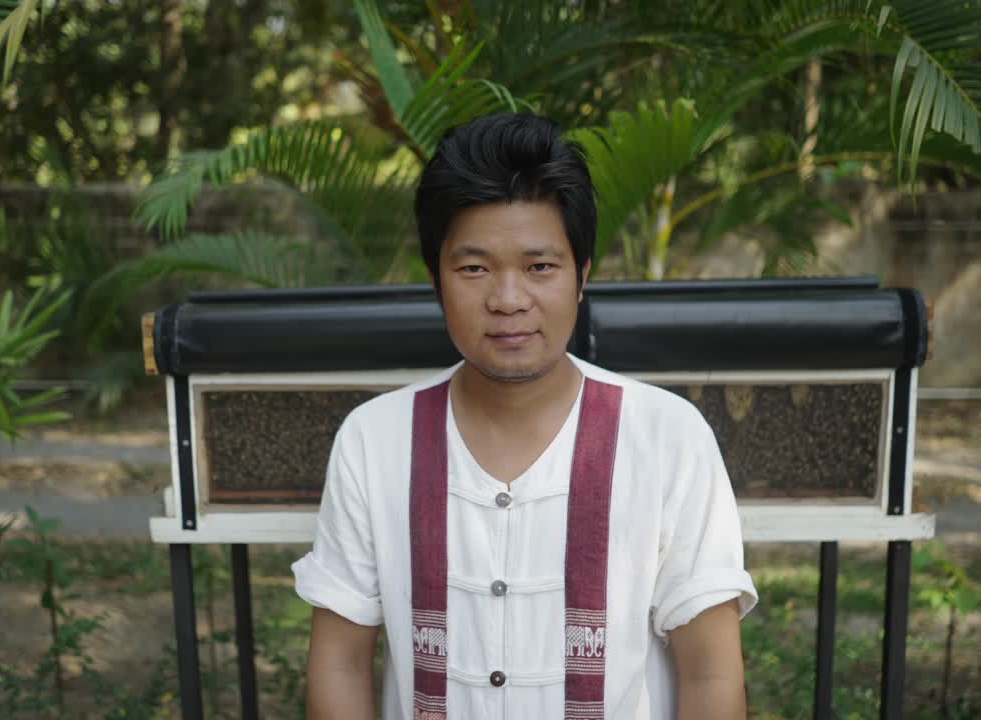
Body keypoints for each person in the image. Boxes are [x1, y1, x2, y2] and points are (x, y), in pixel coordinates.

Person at [292, 113, 757, 719]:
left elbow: (711, 671)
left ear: (582, 276)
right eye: (474, 268)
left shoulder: (668, 437)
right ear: (436, 281)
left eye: (539, 267)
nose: (508, 300)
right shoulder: (374, 440)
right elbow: (340, 661)